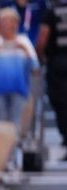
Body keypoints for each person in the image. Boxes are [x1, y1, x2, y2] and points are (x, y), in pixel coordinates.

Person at [0, 7, 38, 129]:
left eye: (10, 21)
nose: (7, 25)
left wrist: (26, 51)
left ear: (16, 24)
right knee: (0, 123)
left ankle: (15, 148)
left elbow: (35, 69)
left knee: (15, 123)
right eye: (4, 21)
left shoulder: (24, 41)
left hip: (19, 90)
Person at [38, 0, 67, 159]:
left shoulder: (51, 13)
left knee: (61, 102)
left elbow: (43, 38)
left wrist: (40, 57)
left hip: (58, 63)